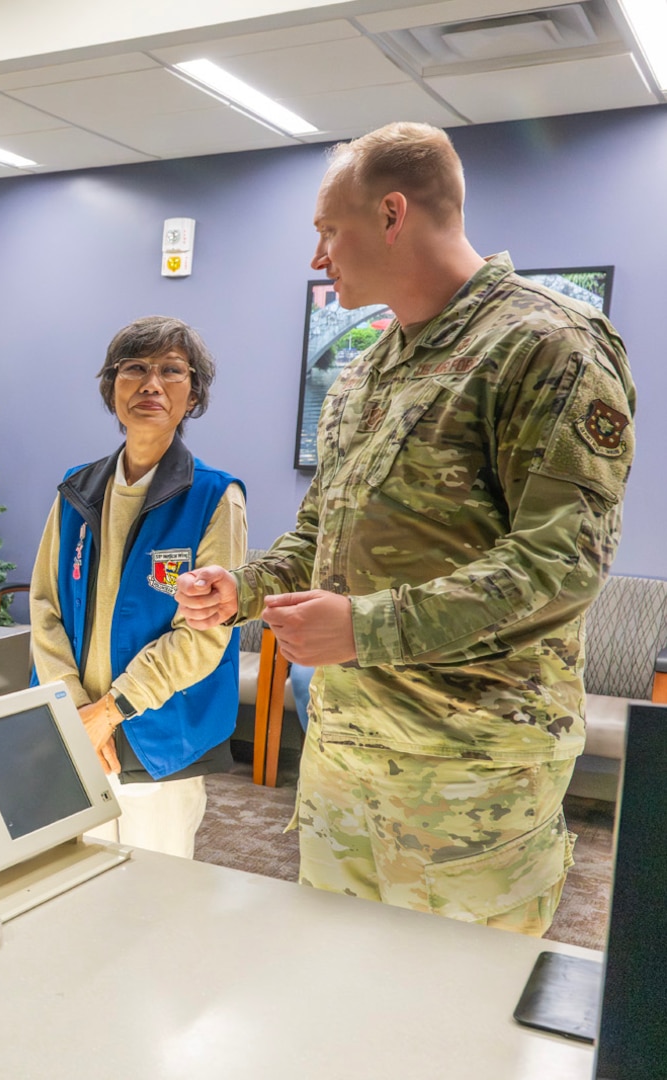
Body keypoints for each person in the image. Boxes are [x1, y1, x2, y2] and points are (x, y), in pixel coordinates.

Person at [177, 122, 634, 936]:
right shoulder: (362, 371)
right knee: (340, 998)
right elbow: (320, 528)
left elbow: (560, 561)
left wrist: (363, 628)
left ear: (391, 214)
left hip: (470, 770)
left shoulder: (544, 345)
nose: (318, 257)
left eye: (328, 231)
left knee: (456, 1030)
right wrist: (240, 589)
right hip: (345, 752)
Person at [29, 317, 247, 858]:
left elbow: (204, 635)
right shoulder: (76, 491)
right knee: (77, 883)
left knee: (156, 902)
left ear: (192, 394)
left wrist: (109, 713)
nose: (151, 384)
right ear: (112, 387)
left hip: (157, 738)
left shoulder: (216, 498)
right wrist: (75, 709)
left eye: (172, 371)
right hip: (78, 730)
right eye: (135, 369)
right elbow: (45, 609)